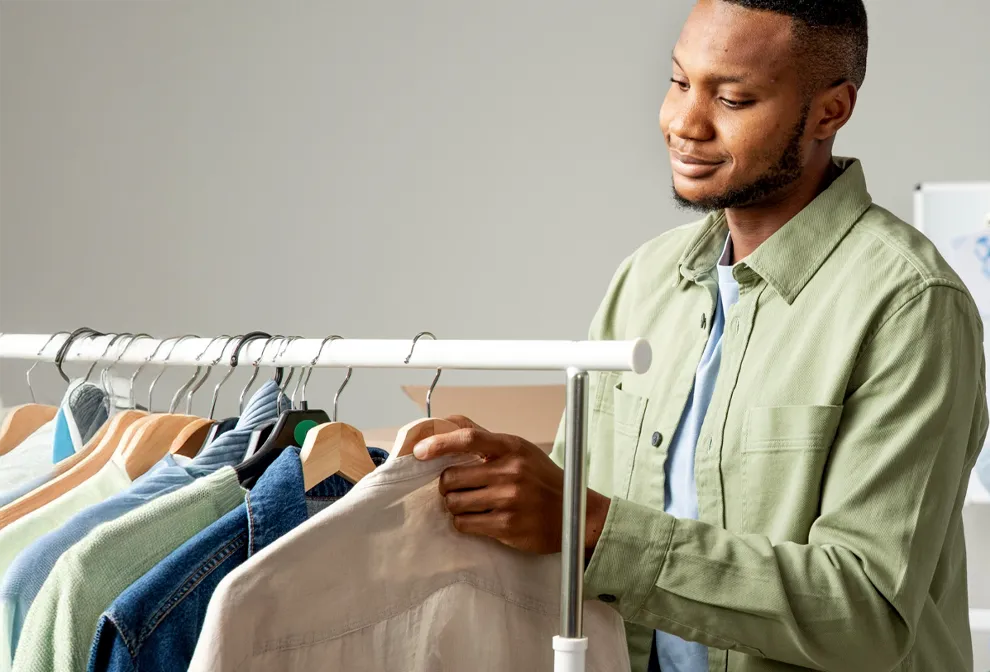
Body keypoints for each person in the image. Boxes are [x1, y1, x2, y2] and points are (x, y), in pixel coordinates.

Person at [413, 1, 989, 670]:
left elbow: (863, 611)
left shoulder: (909, 303)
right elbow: (559, 537)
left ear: (830, 111)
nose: (683, 123)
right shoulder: (645, 279)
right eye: (680, 81)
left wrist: (595, 528)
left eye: (734, 98)